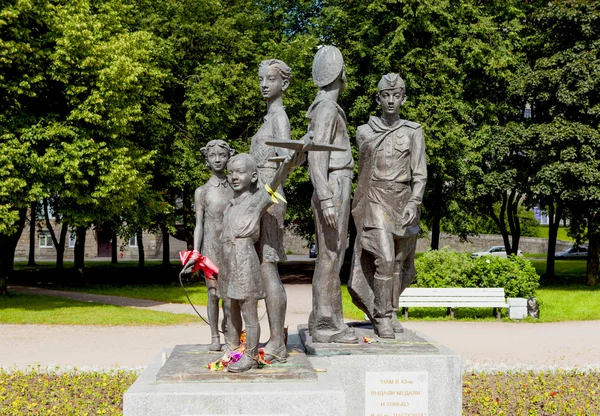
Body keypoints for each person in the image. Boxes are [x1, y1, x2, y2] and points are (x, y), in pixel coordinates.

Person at [348, 73, 427, 338]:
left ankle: (391, 310)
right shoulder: (364, 132)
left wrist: (414, 202)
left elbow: (420, 174)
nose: (391, 100)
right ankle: (380, 317)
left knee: (397, 263)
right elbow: (360, 172)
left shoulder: (414, 132)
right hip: (375, 199)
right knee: (383, 258)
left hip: (403, 200)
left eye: (396, 95)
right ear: (378, 98)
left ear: (403, 98)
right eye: (386, 95)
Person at [219, 152, 303, 372]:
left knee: (248, 310)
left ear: (254, 176)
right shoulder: (230, 205)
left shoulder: (255, 201)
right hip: (228, 261)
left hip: (244, 260)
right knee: (229, 307)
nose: (234, 177)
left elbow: (271, 187)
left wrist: (284, 166)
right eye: (230, 173)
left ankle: (251, 355)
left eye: (240, 172)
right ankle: (233, 347)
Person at [306, 46, 358, 344]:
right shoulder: (326, 108)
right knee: (330, 254)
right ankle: (326, 323)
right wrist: (326, 198)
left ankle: (324, 318)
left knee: (332, 254)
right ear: (340, 74)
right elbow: (317, 158)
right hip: (333, 185)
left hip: (335, 184)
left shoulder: (325, 107)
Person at [249, 59, 292, 361]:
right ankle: (273, 338)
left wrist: (266, 195)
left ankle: (278, 342)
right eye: (262, 79)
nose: (265, 84)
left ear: (283, 84)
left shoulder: (279, 117)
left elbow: (287, 160)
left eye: (271, 79)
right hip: (260, 197)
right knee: (263, 270)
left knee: (268, 268)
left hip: (270, 200)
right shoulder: (268, 117)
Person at [182, 140, 234, 351]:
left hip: (231, 247)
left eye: (222, 155)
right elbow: (199, 225)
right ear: (207, 159)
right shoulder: (201, 191)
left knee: (231, 296)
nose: (218, 160)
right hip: (210, 248)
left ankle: (231, 330)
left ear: (228, 157)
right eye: (213, 156)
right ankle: (214, 336)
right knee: (213, 294)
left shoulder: (235, 187)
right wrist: (196, 251)